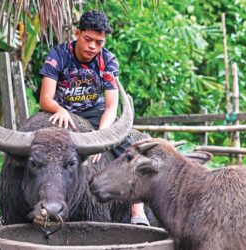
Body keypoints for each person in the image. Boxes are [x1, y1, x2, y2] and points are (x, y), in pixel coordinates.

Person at [39, 10, 149, 226]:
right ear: (78, 33)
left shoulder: (107, 60)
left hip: (94, 111)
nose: (93, 47)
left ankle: (137, 206)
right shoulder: (58, 55)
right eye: (88, 40)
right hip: (61, 110)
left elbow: (111, 106)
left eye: (99, 43)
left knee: (129, 148)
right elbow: (45, 98)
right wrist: (59, 109)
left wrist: (101, 137)